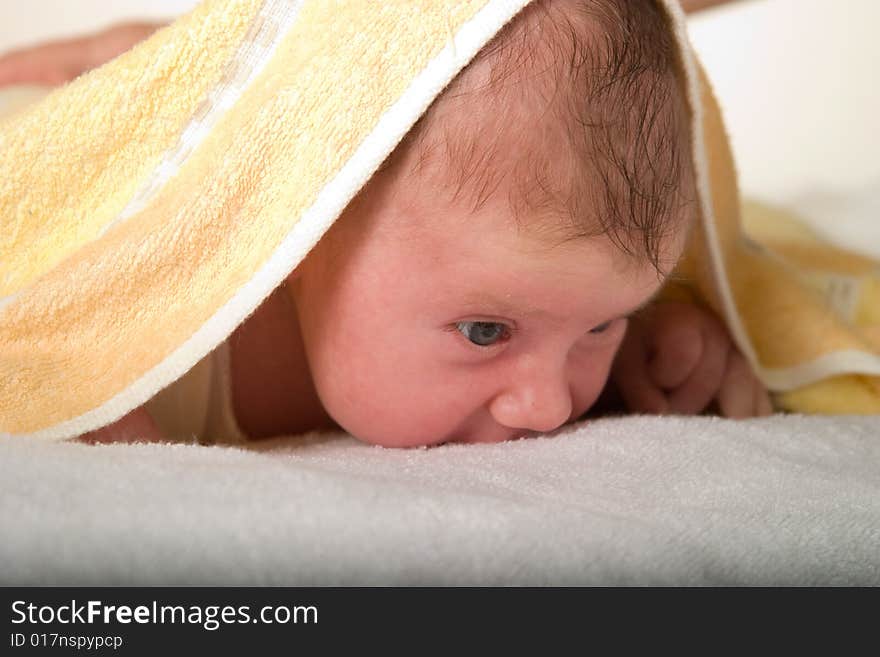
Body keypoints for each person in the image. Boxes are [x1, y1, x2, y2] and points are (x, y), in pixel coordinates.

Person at [0, 0, 772, 447]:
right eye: (484, 332)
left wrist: (659, 338)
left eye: (604, 323)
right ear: (307, 218)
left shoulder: (495, 267)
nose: (551, 406)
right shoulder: (136, 305)